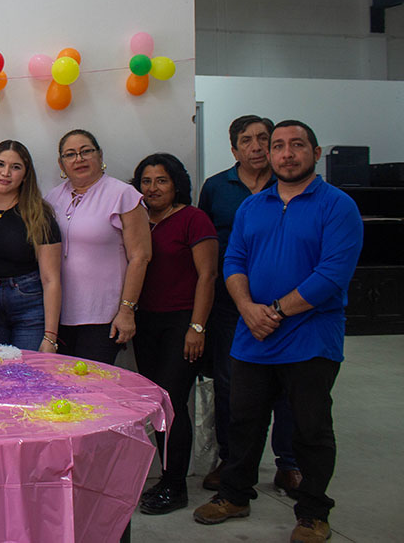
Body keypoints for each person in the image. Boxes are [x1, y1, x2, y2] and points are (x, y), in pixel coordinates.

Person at [193, 121, 362, 543]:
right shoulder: (253, 206)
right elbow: (233, 261)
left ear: (316, 153)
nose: (287, 154)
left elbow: (332, 274)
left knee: (310, 429)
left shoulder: (338, 205)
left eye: (297, 145)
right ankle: (234, 495)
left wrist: (274, 311)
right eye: (280, 146)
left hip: (311, 336)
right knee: (243, 422)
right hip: (253, 334)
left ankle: (312, 512)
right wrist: (248, 309)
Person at [197, 115, 300, 495]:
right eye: (247, 140)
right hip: (230, 306)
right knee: (231, 384)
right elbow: (206, 248)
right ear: (234, 149)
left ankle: (289, 463)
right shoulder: (216, 188)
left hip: (288, 306)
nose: (256, 147)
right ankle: (232, 460)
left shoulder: (291, 184)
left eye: (263, 139)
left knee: (289, 387)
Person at [131, 153, 217, 516]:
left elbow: (208, 276)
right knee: (155, 404)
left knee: (172, 404)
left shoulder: (193, 219)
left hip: (182, 323)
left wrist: (196, 327)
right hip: (146, 323)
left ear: (176, 182)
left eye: (161, 180)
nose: (153, 188)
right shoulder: (136, 220)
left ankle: (174, 484)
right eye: (146, 181)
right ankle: (164, 479)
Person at [44, 129, 151, 364]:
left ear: (100, 155)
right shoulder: (52, 199)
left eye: (86, 151)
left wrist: (127, 310)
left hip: (104, 316)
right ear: (61, 164)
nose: (79, 159)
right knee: (61, 388)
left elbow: (140, 257)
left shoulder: (123, 195)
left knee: (91, 389)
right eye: (70, 154)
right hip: (60, 315)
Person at [0, 140, 62, 351]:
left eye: (16, 167)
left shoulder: (39, 213)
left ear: (26, 175)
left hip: (29, 305)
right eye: (0, 164)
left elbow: (51, 279)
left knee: (29, 375)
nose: (6, 173)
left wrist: (50, 337)